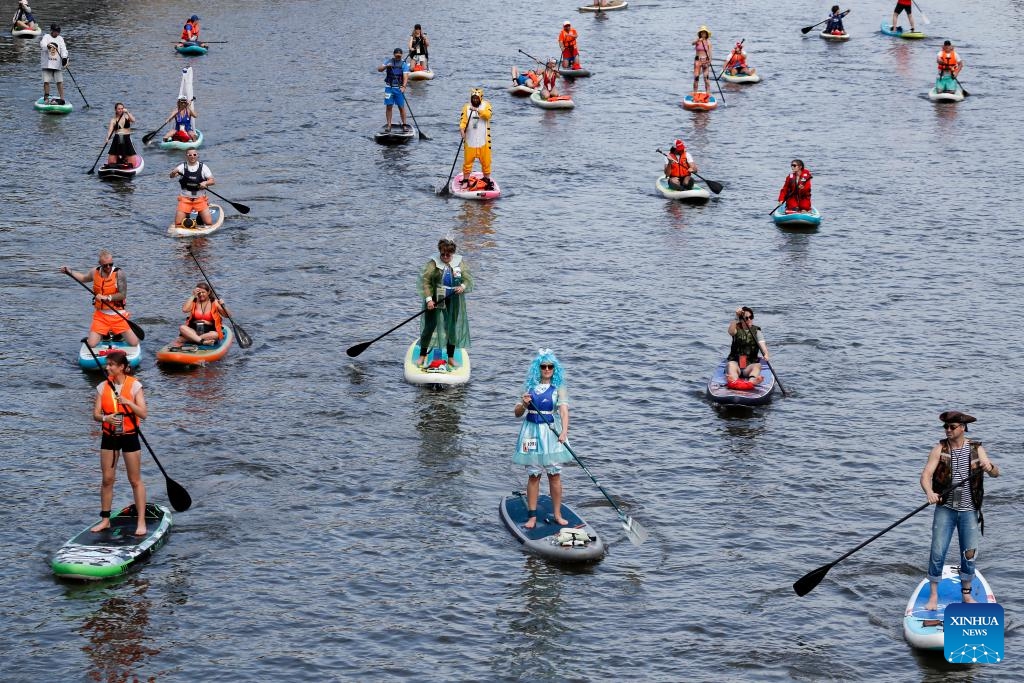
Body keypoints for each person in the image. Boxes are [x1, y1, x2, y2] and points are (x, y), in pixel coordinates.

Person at [920, 411, 1001, 611]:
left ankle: (966, 595)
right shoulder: (939, 449)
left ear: (962, 428)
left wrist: (989, 466)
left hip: (969, 511)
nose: (948, 430)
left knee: (969, 553)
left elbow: (995, 473)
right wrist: (929, 492)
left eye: (952, 427)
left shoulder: (976, 449)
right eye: (945, 427)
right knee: (938, 551)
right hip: (945, 509)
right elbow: (926, 475)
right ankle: (933, 595)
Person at [90, 350, 148, 536]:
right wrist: (105, 418)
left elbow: (143, 414)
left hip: (130, 436)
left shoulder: (135, 386)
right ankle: (105, 520)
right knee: (107, 479)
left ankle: (141, 521)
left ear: (122, 367)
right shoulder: (102, 386)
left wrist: (128, 402)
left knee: (134, 480)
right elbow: (96, 414)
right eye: (106, 365)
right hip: (110, 437)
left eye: (111, 365)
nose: (107, 368)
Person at [513, 349, 572, 529]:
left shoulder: (559, 388)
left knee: (554, 475)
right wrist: (524, 404)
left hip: (551, 433)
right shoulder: (528, 387)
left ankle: (557, 514)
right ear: (537, 368)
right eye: (543, 366)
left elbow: (563, 411)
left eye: (550, 366)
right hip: (530, 433)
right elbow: (517, 413)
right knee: (534, 475)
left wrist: (564, 432)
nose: (547, 369)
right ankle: (532, 516)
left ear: (554, 369)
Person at [60, 250, 141, 348]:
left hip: (118, 315)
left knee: (134, 343)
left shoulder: (119, 273)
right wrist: (69, 271)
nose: (108, 267)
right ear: (100, 264)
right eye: (105, 265)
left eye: (110, 264)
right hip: (101, 316)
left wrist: (107, 297)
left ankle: (117, 334)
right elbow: (83, 278)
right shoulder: (95, 272)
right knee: (91, 344)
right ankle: (105, 334)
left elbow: (122, 295)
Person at [417, 238, 472, 370]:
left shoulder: (459, 263)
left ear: (452, 253)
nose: (445, 257)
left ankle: (450, 357)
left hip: (452, 298)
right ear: (440, 252)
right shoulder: (433, 263)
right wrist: (429, 300)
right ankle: (423, 355)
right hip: (436, 298)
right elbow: (425, 282)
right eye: (443, 254)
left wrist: (462, 287)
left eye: (448, 254)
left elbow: (468, 279)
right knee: (430, 326)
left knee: (451, 327)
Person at [725, 307, 771, 388]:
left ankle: (752, 381)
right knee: (730, 364)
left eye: (751, 317)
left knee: (758, 365)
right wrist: (736, 316)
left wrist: (766, 354)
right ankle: (734, 380)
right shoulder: (736, 328)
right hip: (736, 364)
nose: (749, 319)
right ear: (741, 320)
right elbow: (731, 332)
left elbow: (762, 345)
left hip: (749, 365)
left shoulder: (757, 331)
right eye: (746, 318)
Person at [169, 150, 215, 227]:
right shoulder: (182, 166)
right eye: (190, 155)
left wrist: (205, 183)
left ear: (197, 155)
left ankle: (199, 215)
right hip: (185, 199)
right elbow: (171, 176)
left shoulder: (203, 167)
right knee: (178, 224)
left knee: (208, 223)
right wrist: (173, 172)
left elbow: (212, 181)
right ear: (186, 156)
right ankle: (187, 215)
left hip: (200, 199)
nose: (192, 156)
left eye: (194, 154)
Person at [459, 88, 493, 189]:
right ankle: (465, 180)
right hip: (470, 141)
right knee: (467, 162)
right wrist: (462, 130)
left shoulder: (486, 105)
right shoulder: (466, 107)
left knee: (486, 162)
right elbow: (463, 121)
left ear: (480, 98)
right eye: (473, 98)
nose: (475, 100)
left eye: (476, 98)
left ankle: (486, 180)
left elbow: (488, 115)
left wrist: (477, 110)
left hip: (483, 141)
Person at [377, 48, 410, 132]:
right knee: (389, 106)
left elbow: (406, 77)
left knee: (401, 107)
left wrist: (404, 87)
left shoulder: (404, 64)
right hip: (389, 88)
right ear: (394, 55)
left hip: (399, 89)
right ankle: (389, 125)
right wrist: (386, 66)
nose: (398, 57)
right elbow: (379, 69)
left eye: (399, 56)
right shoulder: (388, 61)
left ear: (401, 55)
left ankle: (404, 125)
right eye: (397, 55)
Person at [103, 102, 138, 168]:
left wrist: (127, 112)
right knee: (111, 161)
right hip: (117, 138)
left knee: (132, 162)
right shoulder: (113, 120)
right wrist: (107, 138)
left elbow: (133, 120)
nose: (120, 110)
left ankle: (123, 158)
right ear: (115, 110)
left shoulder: (127, 116)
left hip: (126, 138)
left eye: (122, 108)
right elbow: (110, 130)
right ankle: (120, 158)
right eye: (119, 109)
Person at [39, 23, 68, 104]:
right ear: (51, 31)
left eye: (58, 32)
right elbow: (42, 45)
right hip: (47, 64)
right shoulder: (46, 37)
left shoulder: (60, 39)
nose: (57, 33)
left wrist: (64, 58)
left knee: (59, 81)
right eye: (55, 31)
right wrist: (48, 46)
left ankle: (62, 99)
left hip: (57, 64)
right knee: (46, 81)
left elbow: (63, 49)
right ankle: (46, 98)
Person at [692, 26, 713, 98]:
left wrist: (709, 61)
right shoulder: (698, 41)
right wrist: (698, 40)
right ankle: (695, 93)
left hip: (705, 61)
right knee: (696, 78)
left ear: (706, 34)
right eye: (702, 33)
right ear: (700, 34)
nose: (703, 34)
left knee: (706, 78)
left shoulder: (708, 42)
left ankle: (708, 94)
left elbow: (710, 53)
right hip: (697, 61)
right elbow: (692, 43)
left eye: (704, 33)